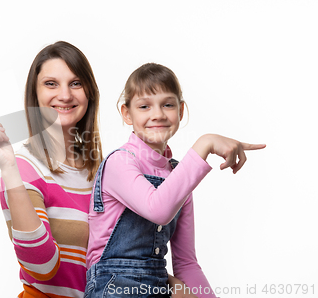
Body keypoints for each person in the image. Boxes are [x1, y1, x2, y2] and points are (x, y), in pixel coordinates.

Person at [0, 43, 199, 298]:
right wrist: (8, 168)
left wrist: (166, 284)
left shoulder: (105, 169)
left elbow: (124, 259)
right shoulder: (23, 168)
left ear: (89, 93)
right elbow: (41, 268)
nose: (65, 95)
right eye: (51, 84)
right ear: (34, 96)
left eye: (75, 83)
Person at [84, 63, 266, 298]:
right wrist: (205, 143)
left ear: (181, 111)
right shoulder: (120, 162)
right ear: (127, 114)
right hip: (113, 288)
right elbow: (158, 209)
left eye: (167, 105)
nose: (157, 114)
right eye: (144, 106)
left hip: (158, 287)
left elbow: (186, 264)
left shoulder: (179, 174)